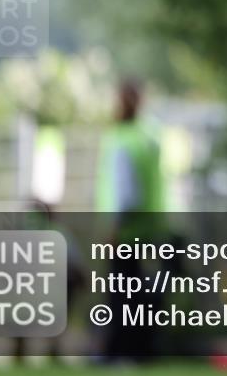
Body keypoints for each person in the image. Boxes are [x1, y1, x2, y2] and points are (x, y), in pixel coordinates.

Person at [95, 78, 166, 363]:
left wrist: (113, 228)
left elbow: (125, 192)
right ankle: (141, 350)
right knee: (140, 294)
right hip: (151, 229)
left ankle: (119, 352)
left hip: (126, 231)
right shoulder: (149, 135)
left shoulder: (121, 138)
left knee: (122, 295)